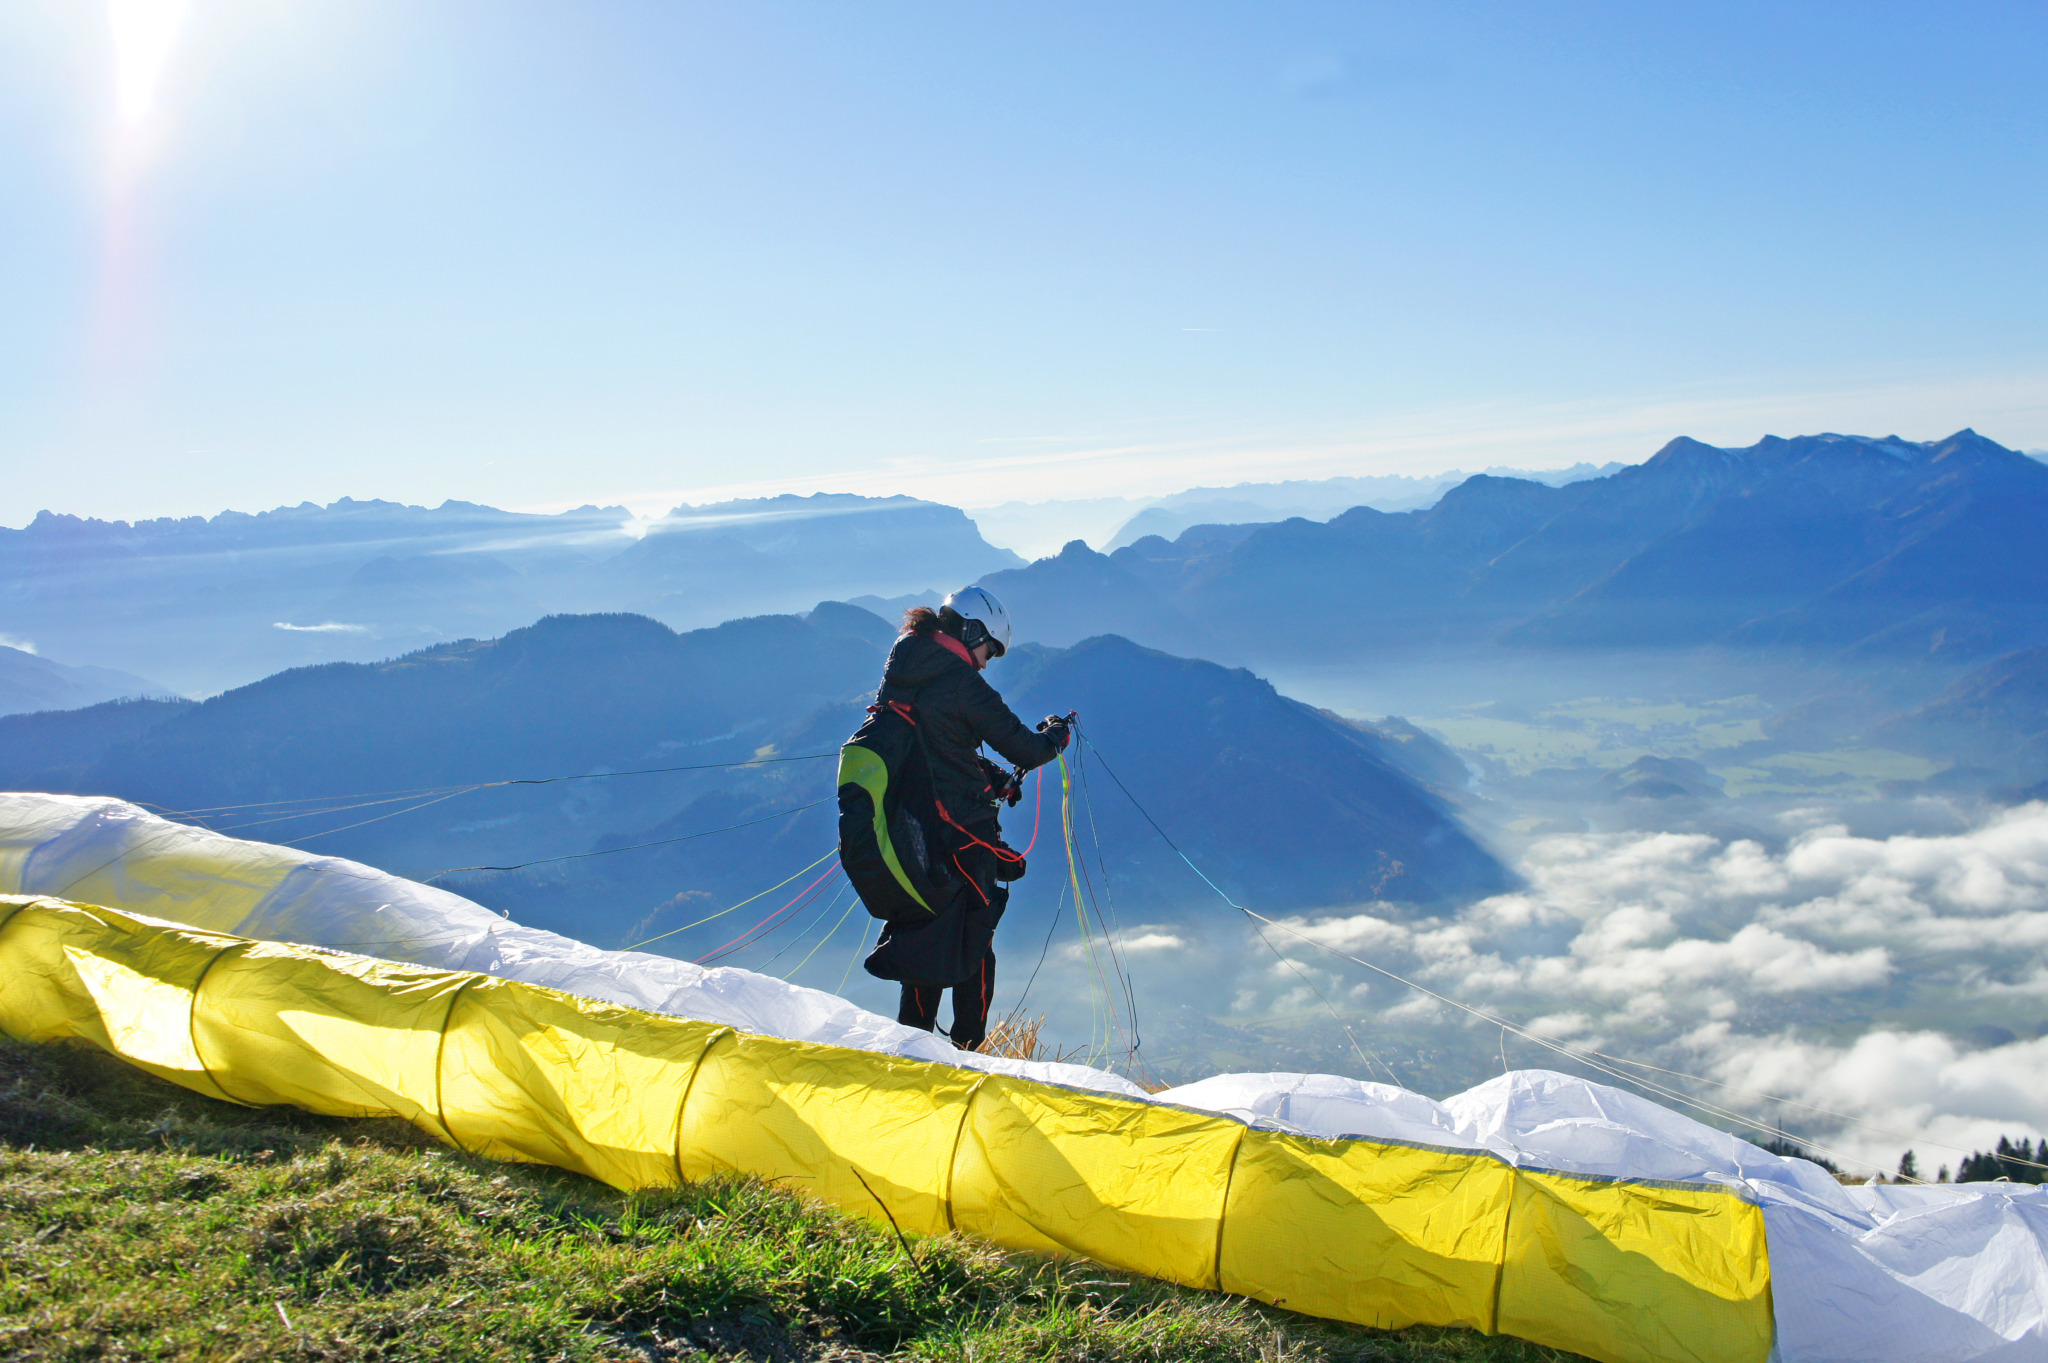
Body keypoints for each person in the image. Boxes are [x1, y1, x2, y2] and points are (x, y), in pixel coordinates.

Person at [868, 585, 1070, 1051]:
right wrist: (1056, 736)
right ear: (971, 631)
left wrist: (991, 776)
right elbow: (1029, 747)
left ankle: (913, 1054)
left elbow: (933, 745)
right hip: (959, 838)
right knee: (973, 944)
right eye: (988, 650)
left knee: (925, 944)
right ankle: (968, 1058)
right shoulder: (961, 684)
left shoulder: (905, 668)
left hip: (912, 837)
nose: (985, 662)